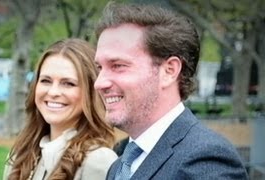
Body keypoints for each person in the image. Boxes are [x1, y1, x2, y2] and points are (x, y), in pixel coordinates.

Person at [93, 2, 248, 180]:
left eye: (118, 66)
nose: (100, 83)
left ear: (169, 71)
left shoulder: (206, 161)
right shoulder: (118, 168)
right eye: (99, 68)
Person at [3, 38, 117, 180]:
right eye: (46, 81)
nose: (53, 92)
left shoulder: (99, 161)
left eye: (68, 83)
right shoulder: (19, 156)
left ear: (90, 92)